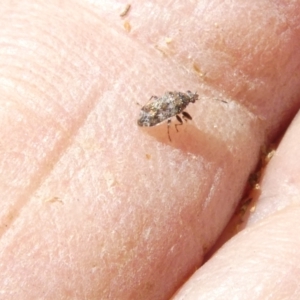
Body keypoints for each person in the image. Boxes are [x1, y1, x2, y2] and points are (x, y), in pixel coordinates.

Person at [1, 1, 300, 299]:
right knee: (171, 120)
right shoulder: (177, 102)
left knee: (171, 117)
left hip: (155, 111)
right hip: (153, 115)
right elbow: (167, 106)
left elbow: (166, 103)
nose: (189, 103)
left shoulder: (177, 101)